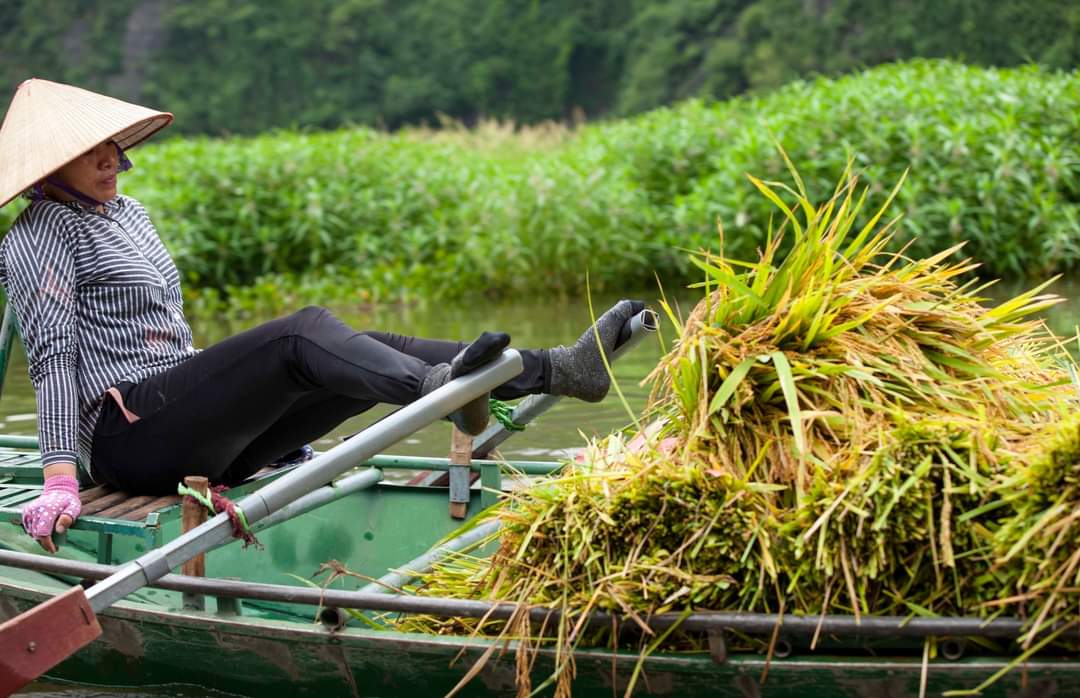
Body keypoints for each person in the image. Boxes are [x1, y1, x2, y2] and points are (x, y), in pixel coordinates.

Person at [0, 79, 645, 554]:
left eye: (108, 143)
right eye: (90, 153)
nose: (110, 156)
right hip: (126, 440)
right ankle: (442, 390)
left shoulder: (130, 214)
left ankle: (557, 369)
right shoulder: (36, 237)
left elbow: (170, 331)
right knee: (302, 334)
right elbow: (52, 357)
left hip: (184, 425)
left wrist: (257, 415)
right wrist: (59, 475)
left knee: (356, 349)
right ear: (51, 169)